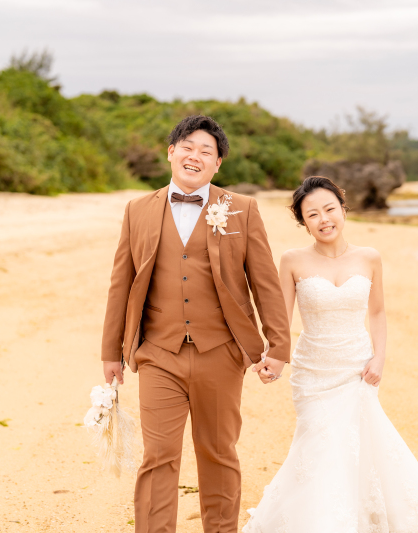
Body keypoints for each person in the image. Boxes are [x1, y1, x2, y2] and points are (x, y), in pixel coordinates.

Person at [242, 176, 418, 533]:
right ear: (303, 221)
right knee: (319, 444)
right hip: (313, 371)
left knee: (358, 443)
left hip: (357, 366)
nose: (324, 219)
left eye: (329, 209)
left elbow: (377, 312)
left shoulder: (369, 257)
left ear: (343, 208)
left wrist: (379, 357)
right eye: (312, 214)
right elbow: (281, 316)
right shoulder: (293, 260)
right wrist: (274, 358)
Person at [100, 115, 291, 533]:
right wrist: (111, 353)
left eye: (207, 151)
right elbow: (121, 283)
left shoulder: (241, 208)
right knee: (158, 457)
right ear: (171, 152)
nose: (195, 156)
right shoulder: (137, 210)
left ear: (218, 164)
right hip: (158, 354)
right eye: (187, 146)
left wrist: (278, 348)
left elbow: (265, 283)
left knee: (219, 453)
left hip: (220, 354)